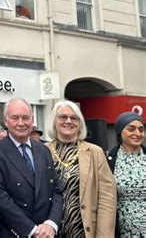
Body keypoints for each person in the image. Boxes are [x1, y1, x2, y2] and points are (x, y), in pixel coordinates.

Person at [0, 97, 63, 238]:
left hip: (46, 233)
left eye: (25, 118)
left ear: (32, 120)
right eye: (15, 118)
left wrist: (51, 224)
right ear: (6, 121)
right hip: (11, 233)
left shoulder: (43, 150)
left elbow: (56, 190)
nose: (21, 123)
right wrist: (32, 230)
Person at [46, 100, 116, 238]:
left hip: (83, 230)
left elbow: (107, 198)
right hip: (49, 231)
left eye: (74, 118)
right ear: (54, 121)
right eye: (63, 117)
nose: (68, 121)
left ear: (80, 123)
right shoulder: (41, 151)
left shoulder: (95, 152)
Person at [107, 111, 145, 237]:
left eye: (141, 129)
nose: (137, 134)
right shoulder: (109, 160)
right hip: (123, 231)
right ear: (120, 132)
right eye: (131, 129)